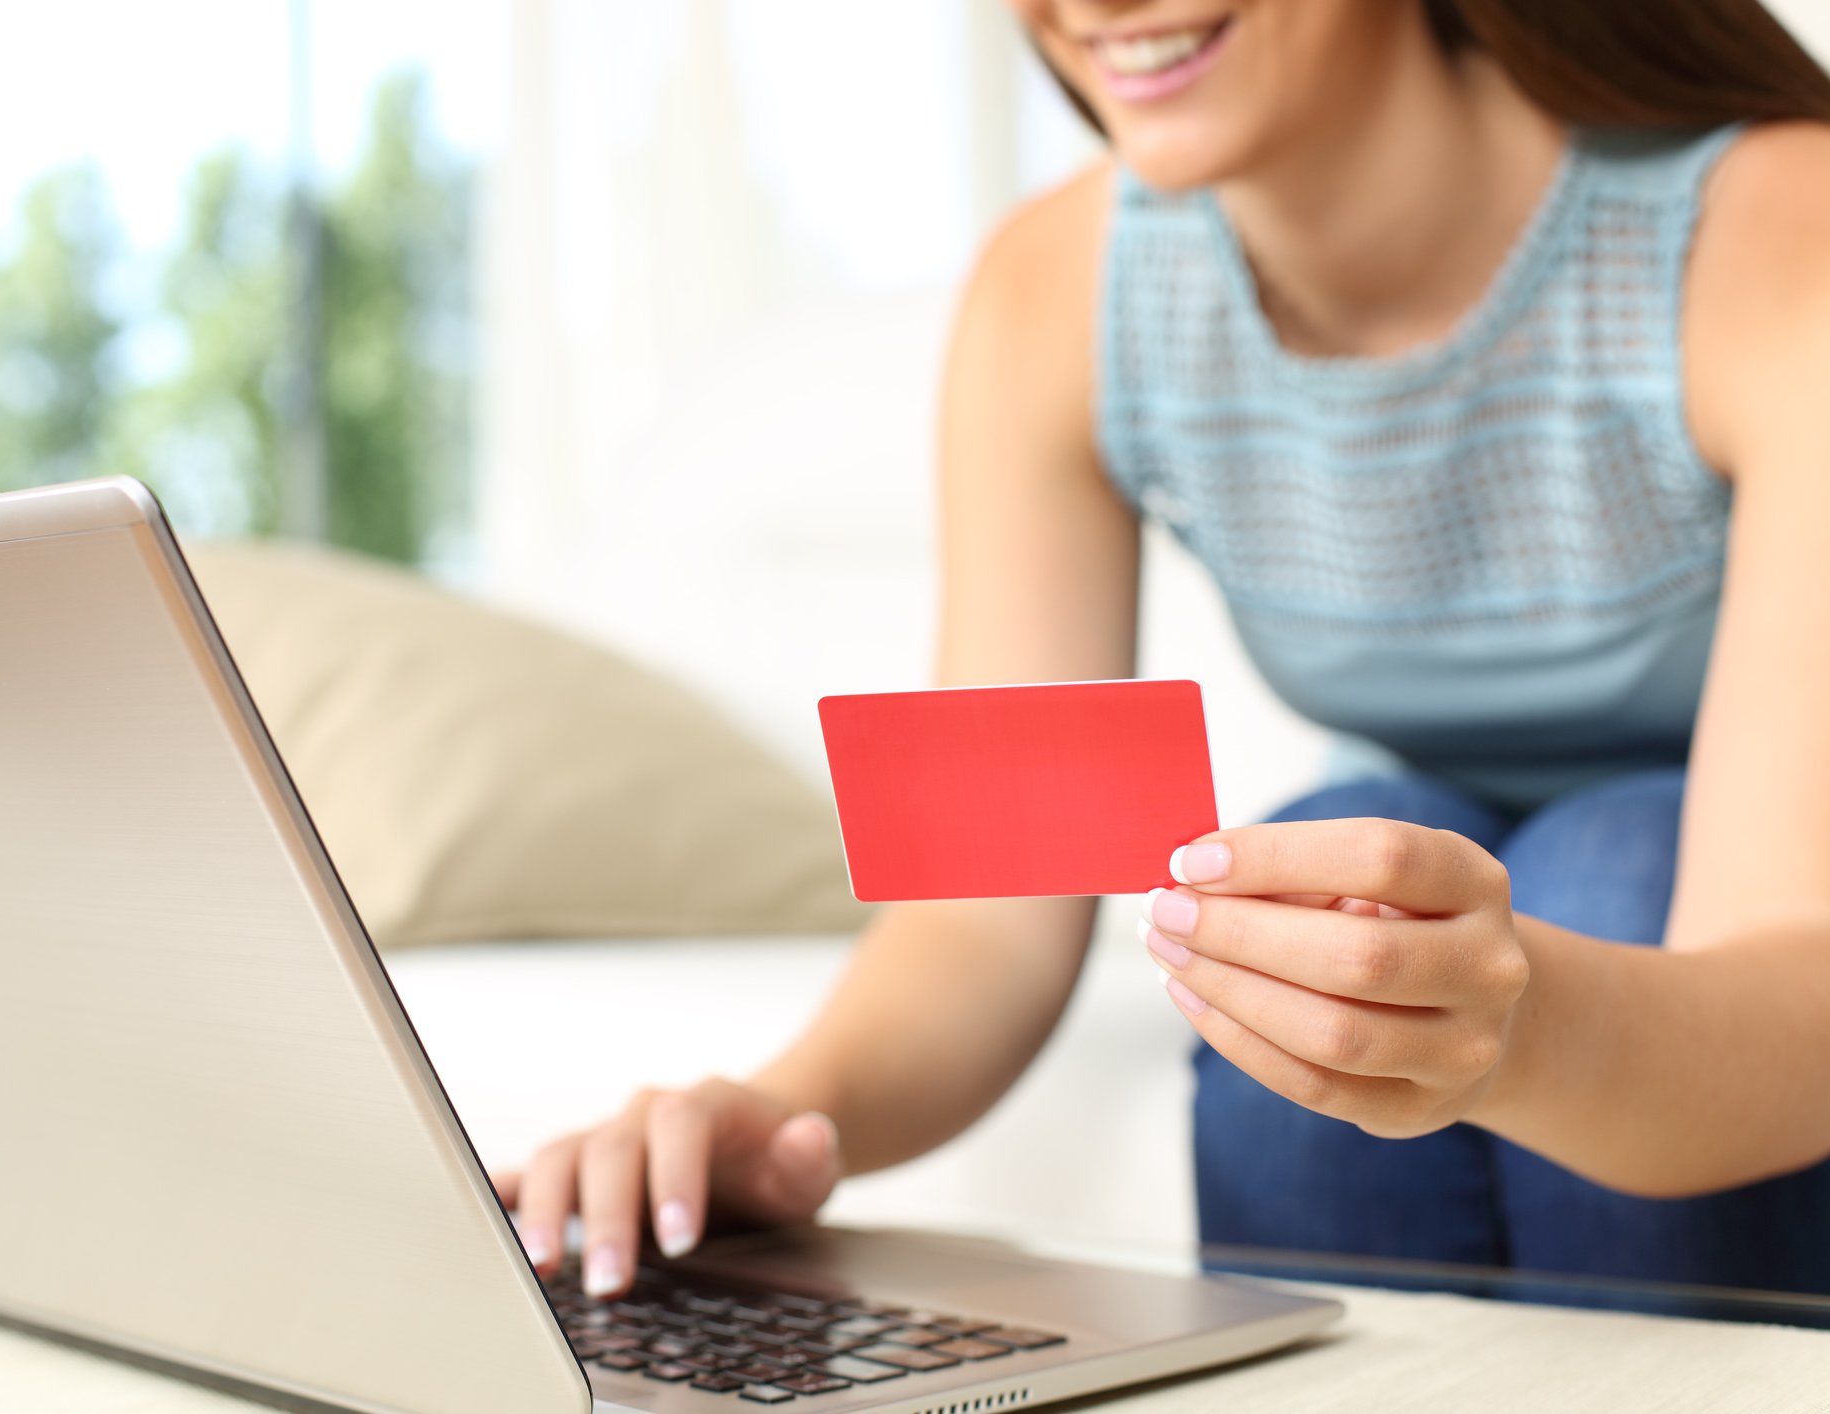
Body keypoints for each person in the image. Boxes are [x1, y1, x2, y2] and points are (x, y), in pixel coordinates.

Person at [496, 0, 1830, 1301]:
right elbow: (985, 913)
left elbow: (1794, 988)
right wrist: (781, 1117)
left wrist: (1512, 1029)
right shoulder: (1057, 290)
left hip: (1745, 941)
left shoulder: (1776, 233)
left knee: (1600, 868)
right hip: (1467, 843)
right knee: (1325, 903)